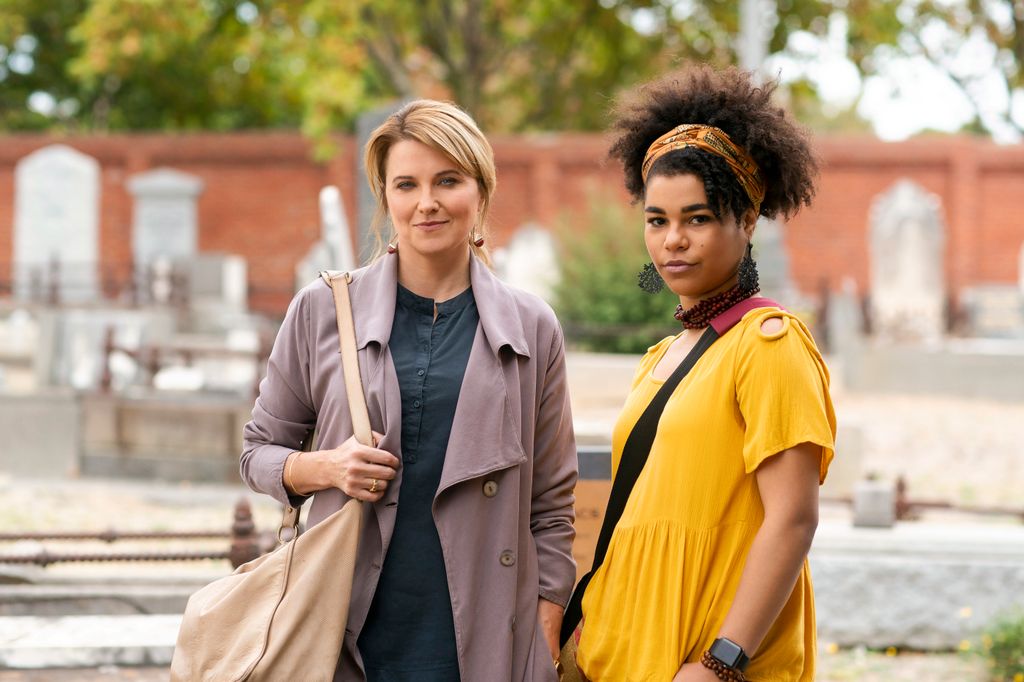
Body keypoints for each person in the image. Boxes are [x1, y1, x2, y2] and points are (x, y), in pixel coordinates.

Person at [240, 99, 577, 682]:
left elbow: (550, 504)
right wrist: (326, 468)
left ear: (480, 191)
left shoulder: (532, 327)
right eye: (407, 184)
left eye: (448, 180)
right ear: (385, 197)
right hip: (342, 631)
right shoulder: (323, 309)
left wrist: (545, 624)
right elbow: (257, 453)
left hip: (484, 639)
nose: (427, 202)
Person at [573, 66, 837, 681]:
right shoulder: (660, 358)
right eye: (657, 220)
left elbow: (794, 516)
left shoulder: (769, 344)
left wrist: (722, 661)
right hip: (622, 656)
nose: (673, 242)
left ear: (745, 223)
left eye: (697, 218)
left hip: (709, 665)